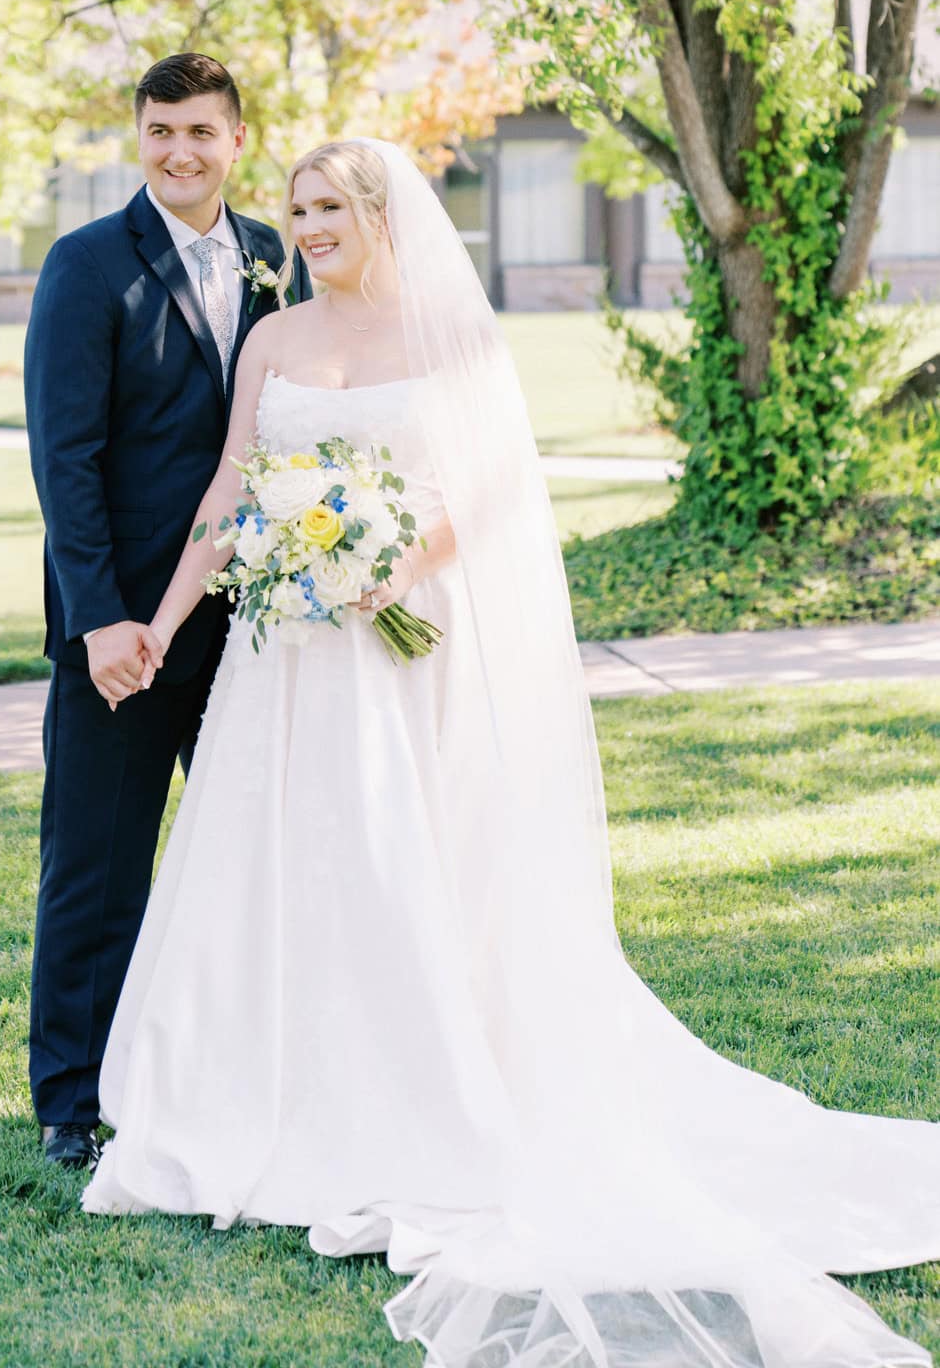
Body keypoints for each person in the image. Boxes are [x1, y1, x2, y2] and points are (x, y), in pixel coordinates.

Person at [83, 137, 940, 1368]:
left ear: (381, 214)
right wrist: (166, 622)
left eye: (328, 208)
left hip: (399, 648)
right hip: (285, 661)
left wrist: (378, 566)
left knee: (398, 862)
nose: (307, 225)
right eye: (297, 207)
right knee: (277, 865)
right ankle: (252, 1095)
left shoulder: (452, 338)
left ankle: (411, 1094)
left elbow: (484, 496)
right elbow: (230, 488)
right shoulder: (271, 338)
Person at [22, 53, 309, 1168]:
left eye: (199, 131)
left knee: (254, 859)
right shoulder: (87, 264)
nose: (179, 151)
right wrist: (101, 618)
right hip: (127, 633)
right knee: (96, 868)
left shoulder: (277, 255)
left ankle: (228, 1082)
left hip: (256, 623)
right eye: (159, 131)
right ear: (137, 138)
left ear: (236, 139)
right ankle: (71, 1103)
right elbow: (65, 458)